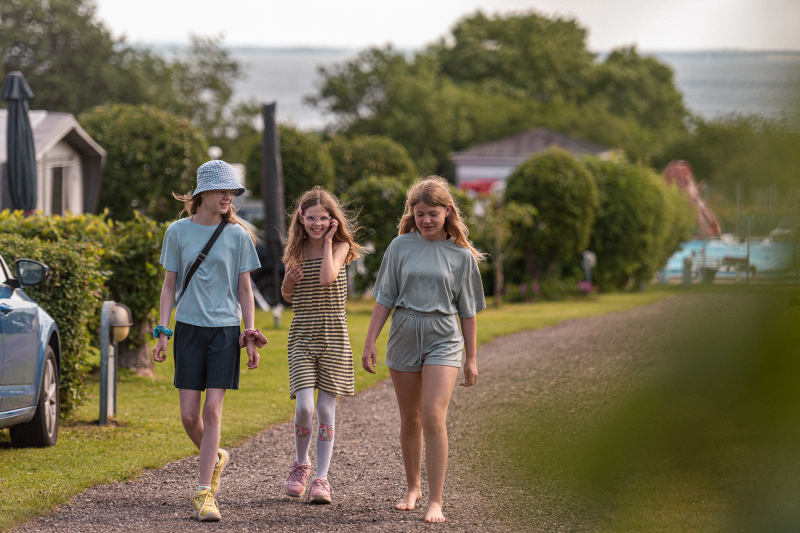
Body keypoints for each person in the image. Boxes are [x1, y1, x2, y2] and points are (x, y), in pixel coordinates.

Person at [362, 176, 486, 523]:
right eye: (420, 214)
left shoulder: (462, 256)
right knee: (410, 417)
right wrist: (370, 341)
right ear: (412, 213)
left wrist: (471, 358)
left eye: (433, 213)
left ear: (447, 211)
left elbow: (468, 312)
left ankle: (435, 500)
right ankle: (412, 487)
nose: (426, 220)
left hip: (443, 336)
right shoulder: (399, 247)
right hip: (403, 333)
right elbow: (384, 298)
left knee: (433, 415)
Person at [152, 160, 266, 522]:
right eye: (222, 191)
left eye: (232, 192)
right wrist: (162, 331)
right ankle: (215, 456)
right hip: (187, 328)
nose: (228, 197)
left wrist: (250, 333)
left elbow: (245, 290)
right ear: (203, 193)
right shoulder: (177, 232)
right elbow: (169, 286)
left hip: (224, 332)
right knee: (189, 416)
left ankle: (204, 492)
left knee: (212, 410)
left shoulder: (238, 235)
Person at [281, 186, 366, 504]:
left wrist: (329, 241)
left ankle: (321, 478)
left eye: (323, 218)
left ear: (333, 220)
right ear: (301, 218)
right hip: (302, 336)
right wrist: (288, 281)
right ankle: (301, 463)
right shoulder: (295, 250)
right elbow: (287, 295)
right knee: (305, 407)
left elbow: (327, 277)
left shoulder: (341, 246)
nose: (317, 224)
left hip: (333, 337)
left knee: (326, 409)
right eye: (311, 218)